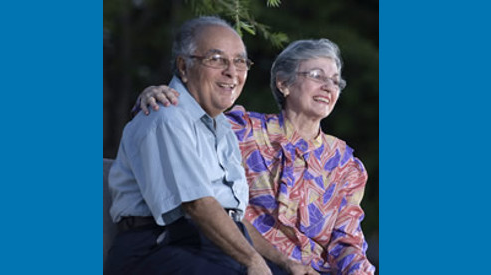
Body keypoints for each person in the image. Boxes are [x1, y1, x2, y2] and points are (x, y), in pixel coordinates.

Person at [136, 38, 376, 274]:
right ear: (283, 83)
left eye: (335, 81)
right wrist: (155, 95)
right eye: (316, 76)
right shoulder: (242, 131)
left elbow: (347, 241)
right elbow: (180, 126)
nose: (328, 86)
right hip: (248, 263)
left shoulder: (346, 164)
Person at [105, 16, 316, 275]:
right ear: (183, 67)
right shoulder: (166, 116)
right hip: (158, 248)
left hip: (208, 243)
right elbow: (198, 206)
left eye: (240, 61)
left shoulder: (221, 127)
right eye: (216, 59)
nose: (231, 71)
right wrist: (253, 262)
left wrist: (286, 263)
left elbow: (230, 220)